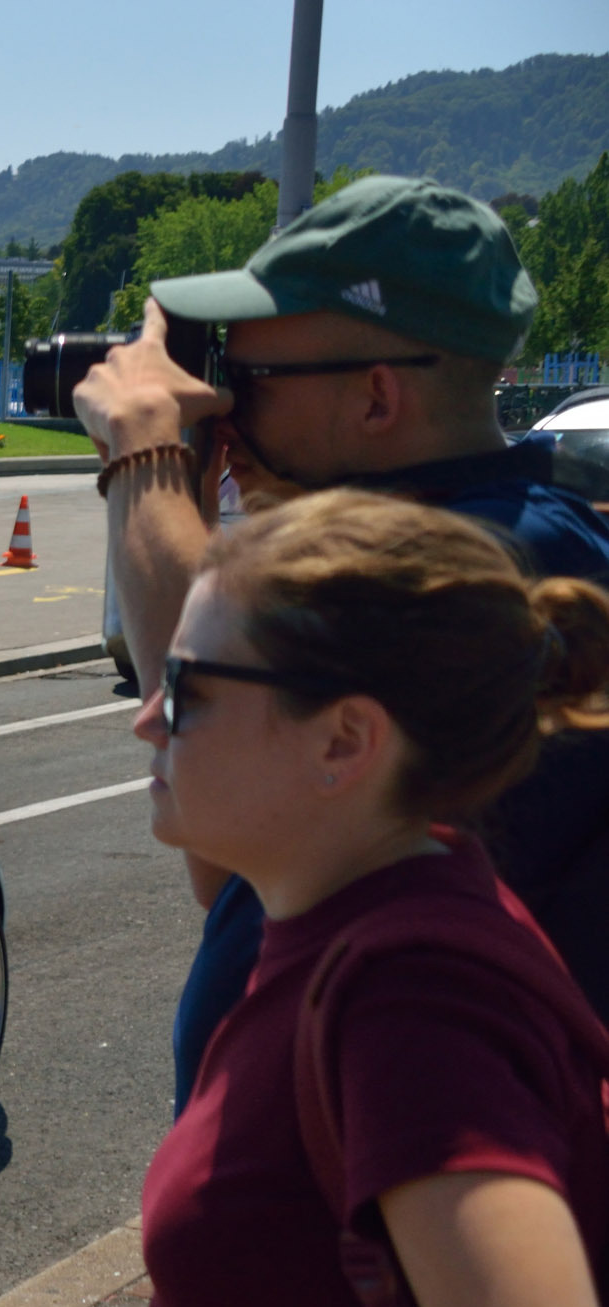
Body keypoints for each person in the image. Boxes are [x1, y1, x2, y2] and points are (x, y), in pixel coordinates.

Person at [125, 491, 609, 1307]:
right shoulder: (373, 917)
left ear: (343, 741)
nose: (144, 720)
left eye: (184, 689)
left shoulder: (407, 986)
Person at [73, 173, 609, 1109]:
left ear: (374, 396)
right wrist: (179, 487)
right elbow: (224, 840)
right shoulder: (488, 530)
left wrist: (144, 454)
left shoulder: (485, 570)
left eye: (250, 383)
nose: (223, 410)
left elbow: (223, 758)